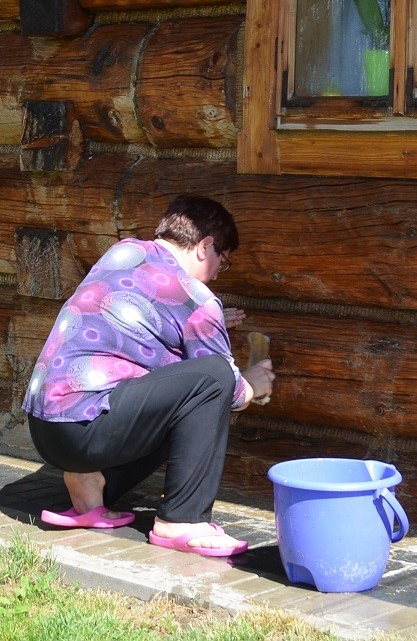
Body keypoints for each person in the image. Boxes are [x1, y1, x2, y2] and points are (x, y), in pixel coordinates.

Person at [22, 195, 275, 559]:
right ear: (205, 247)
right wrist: (253, 382)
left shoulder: (123, 252)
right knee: (216, 378)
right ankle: (181, 521)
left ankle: (93, 485)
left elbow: (147, 320)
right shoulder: (199, 302)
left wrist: (207, 320)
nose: (220, 271)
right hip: (88, 430)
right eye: (223, 259)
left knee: (182, 396)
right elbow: (229, 390)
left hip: (48, 429)